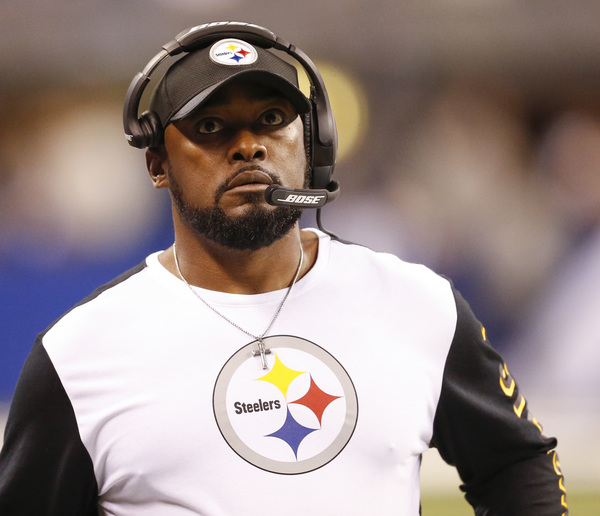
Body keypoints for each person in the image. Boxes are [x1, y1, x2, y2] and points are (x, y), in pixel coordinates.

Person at [0, 21, 568, 516]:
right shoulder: (79, 355)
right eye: (211, 127)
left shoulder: (417, 304)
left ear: (313, 145)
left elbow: (515, 464)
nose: (249, 147)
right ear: (157, 165)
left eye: (272, 119)